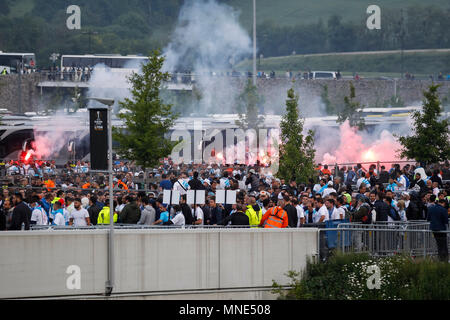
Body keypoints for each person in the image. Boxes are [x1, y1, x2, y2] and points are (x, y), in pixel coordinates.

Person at [427, 197, 449, 262]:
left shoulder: (431, 208)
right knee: (443, 244)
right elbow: (446, 221)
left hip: (433, 228)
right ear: (443, 203)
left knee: (438, 243)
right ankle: (444, 259)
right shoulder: (443, 209)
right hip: (441, 229)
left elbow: (428, 219)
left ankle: (440, 258)